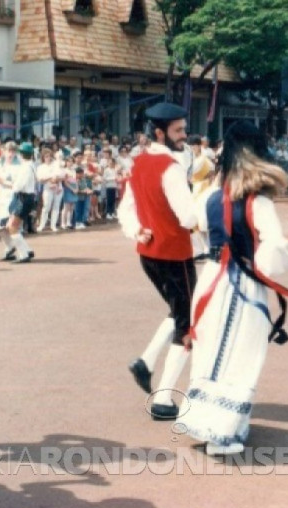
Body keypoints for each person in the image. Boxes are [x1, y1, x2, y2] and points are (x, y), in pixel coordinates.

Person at [180, 120, 288, 455]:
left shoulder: (209, 195)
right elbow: (273, 252)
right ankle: (224, 432)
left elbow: (192, 223)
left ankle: (207, 422)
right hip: (243, 285)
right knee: (241, 354)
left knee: (210, 350)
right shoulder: (258, 203)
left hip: (210, 278)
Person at [118, 102, 197, 420]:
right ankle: (164, 399)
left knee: (179, 311)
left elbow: (125, 208)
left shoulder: (139, 163)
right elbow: (189, 215)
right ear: (160, 132)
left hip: (148, 254)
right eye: (178, 130)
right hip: (175, 255)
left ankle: (146, 363)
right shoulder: (171, 167)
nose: (184, 135)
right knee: (188, 324)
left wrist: (136, 230)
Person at [0, 142, 36, 263]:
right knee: (10, 226)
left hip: (23, 197)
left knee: (12, 227)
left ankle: (24, 254)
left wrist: (5, 183)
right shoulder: (31, 165)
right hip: (25, 197)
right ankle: (27, 250)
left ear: (21, 154)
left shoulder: (25, 167)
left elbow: (18, 186)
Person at [36, 148, 64, 232]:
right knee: (46, 206)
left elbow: (63, 175)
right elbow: (40, 179)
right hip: (47, 188)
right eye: (46, 156)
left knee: (56, 206)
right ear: (43, 157)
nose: (48, 158)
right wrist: (50, 178)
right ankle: (42, 225)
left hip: (58, 188)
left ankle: (53, 225)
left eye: (49, 156)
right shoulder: (41, 167)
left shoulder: (56, 164)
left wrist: (57, 179)